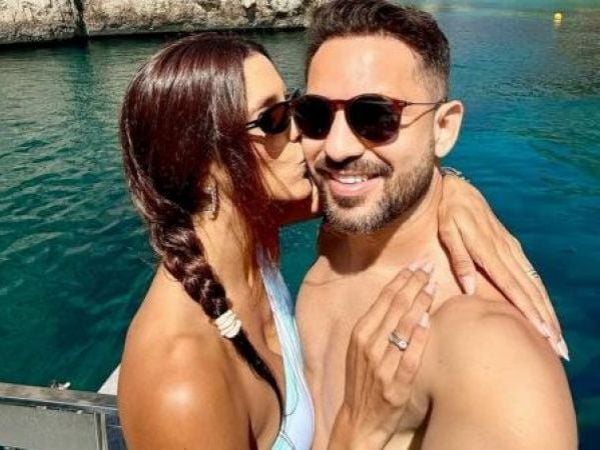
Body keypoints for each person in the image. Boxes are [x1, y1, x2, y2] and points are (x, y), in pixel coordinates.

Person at [110, 32, 565, 449]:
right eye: (275, 119)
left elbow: (381, 187)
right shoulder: (180, 384)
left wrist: (454, 191)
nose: (317, 140)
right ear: (201, 162)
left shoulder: (251, 234)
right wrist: (357, 430)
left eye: (296, 108)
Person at [295, 1, 577, 449]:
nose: (337, 147)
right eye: (315, 115)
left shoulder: (488, 351)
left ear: (444, 129)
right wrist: (453, 185)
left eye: (377, 117)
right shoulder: (338, 234)